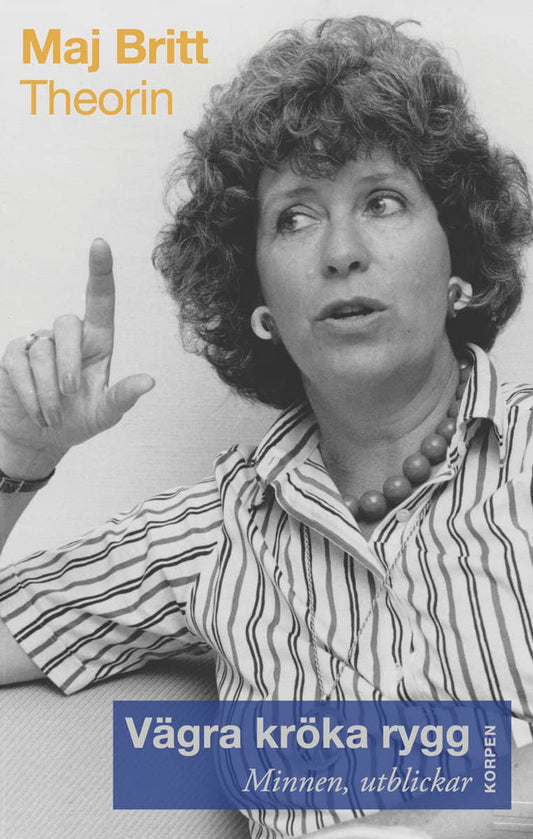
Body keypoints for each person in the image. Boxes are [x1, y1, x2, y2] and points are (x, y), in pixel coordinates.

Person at [1, 15, 533, 839]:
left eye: (382, 201)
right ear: (261, 309)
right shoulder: (214, 531)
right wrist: (18, 457)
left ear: (457, 263)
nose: (341, 251)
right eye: (293, 218)